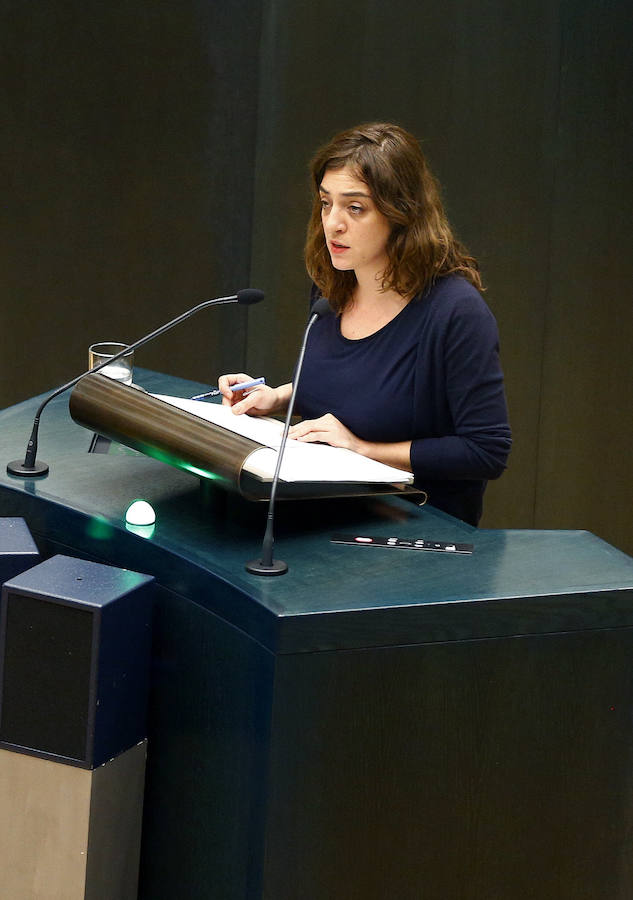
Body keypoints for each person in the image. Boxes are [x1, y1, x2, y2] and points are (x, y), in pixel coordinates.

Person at [219, 123, 511, 525]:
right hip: (319, 509)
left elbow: (486, 451)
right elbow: (360, 388)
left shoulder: (455, 312)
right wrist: (281, 399)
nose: (333, 223)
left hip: (410, 533)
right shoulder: (332, 287)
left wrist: (361, 448)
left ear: (401, 214)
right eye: (326, 203)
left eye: (354, 208)